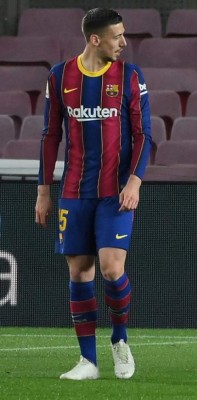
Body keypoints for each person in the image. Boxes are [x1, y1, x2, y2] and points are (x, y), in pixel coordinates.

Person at [34, 8, 152, 380]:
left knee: (111, 268)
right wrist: (43, 190)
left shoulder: (130, 76)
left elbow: (145, 135)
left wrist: (135, 180)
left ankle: (119, 340)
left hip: (115, 191)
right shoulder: (60, 76)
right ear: (95, 39)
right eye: (118, 36)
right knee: (79, 271)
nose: (124, 42)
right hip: (74, 190)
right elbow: (51, 136)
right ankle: (88, 361)